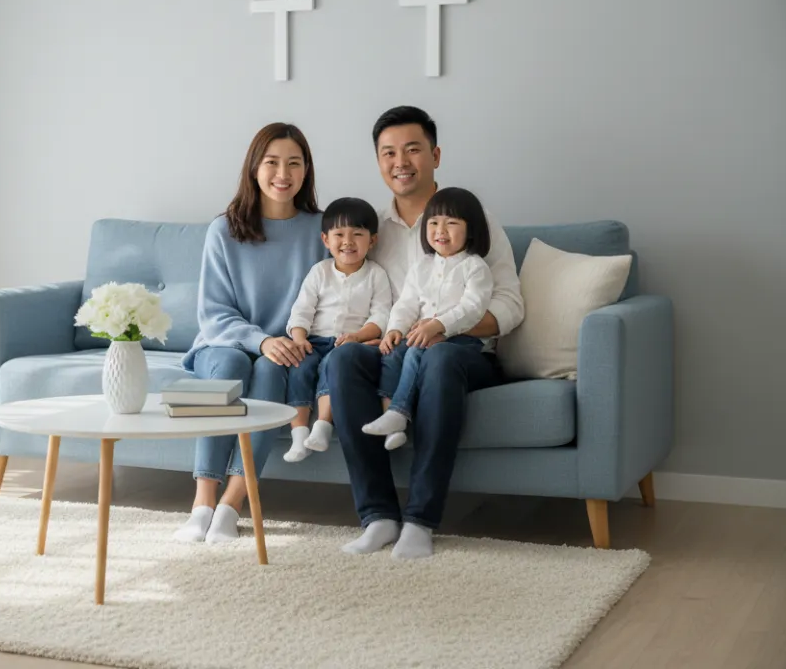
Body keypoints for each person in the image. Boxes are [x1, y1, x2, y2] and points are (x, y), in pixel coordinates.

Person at [327, 106, 524, 559]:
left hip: (463, 354)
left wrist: (440, 328)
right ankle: (377, 516)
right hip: (395, 349)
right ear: (378, 162)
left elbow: (510, 307)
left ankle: (420, 520)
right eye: (389, 153)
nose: (401, 162)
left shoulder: (475, 221)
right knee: (343, 359)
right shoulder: (371, 231)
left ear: (434, 155)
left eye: (412, 149)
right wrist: (387, 334)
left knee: (440, 356)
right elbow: (372, 301)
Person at [173, 122, 326, 544]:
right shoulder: (224, 229)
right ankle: (202, 501)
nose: (283, 173)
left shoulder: (323, 230)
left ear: (306, 171)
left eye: (294, 163)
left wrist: (291, 341)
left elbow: (333, 295)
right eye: (272, 162)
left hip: (287, 350)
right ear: (254, 168)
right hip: (225, 345)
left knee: (270, 372)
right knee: (231, 362)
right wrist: (261, 340)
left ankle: (232, 502)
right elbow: (215, 314)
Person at [363, 187, 494, 451]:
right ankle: (391, 420)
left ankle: (399, 412)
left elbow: (473, 308)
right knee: (393, 354)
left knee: (415, 351)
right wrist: (394, 329)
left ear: (471, 229)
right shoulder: (422, 266)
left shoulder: (475, 267)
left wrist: (439, 325)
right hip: (421, 336)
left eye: (452, 223)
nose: (440, 230)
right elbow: (407, 303)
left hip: (462, 344)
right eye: (433, 223)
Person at [281, 197, 393, 462]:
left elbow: (382, 315)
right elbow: (302, 309)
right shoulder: (320, 272)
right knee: (300, 366)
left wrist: (358, 336)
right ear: (325, 239)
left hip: (350, 344)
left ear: (372, 240)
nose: (348, 241)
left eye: (357, 234)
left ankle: (322, 424)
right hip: (315, 340)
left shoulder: (376, 274)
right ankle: (298, 435)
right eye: (339, 234)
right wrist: (298, 338)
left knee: (335, 365)